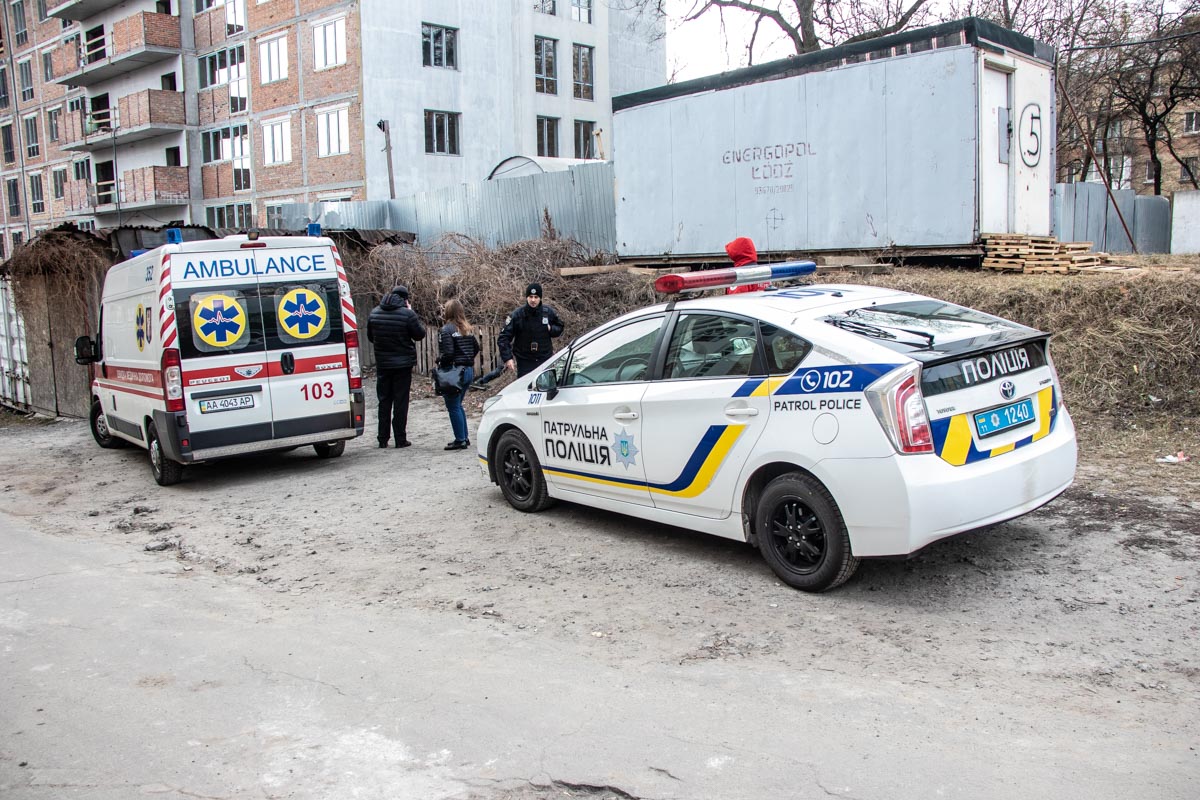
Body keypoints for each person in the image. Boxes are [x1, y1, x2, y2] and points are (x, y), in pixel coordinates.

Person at [367, 285, 425, 449]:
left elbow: (371, 337)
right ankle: (400, 438)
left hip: (383, 364)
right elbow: (419, 334)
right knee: (401, 401)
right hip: (403, 365)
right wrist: (412, 312)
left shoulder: (374, 313)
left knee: (384, 401)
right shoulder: (407, 314)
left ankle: (382, 438)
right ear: (405, 299)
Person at [494, 282, 564, 378]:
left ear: (540, 298)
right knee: (526, 389)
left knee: (547, 389)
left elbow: (560, 327)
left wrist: (551, 329)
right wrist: (508, 358)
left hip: (545, 359)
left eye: (536, 297)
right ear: (527, 297)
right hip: (525, 362)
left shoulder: (548, 312)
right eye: (530, 297)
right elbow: (504, 337)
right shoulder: (517, 315)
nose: (533, 300)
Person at [438, 299, 481, 451]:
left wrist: (440, 361)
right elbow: (476, 347)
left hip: (455, 372)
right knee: (458, 405)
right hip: (468, 370)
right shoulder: (466, 329)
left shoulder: (447, 330)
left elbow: (448, 353)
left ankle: (460, 439)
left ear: (448, 312)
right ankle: (464, 437)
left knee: (453, 406)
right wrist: (467, 358)